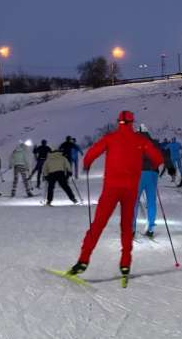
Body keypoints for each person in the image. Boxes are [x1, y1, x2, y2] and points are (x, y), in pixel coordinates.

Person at [66, 111, 163, 283]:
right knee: (126, 226)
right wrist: (155, 165)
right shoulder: (141, 140)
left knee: (98, 224)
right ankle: (125, 264)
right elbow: (157, 158)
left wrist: (87, 164)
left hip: (111, 188)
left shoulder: (110, 138)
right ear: (132, 122)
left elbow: (92, 153)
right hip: (130, 190)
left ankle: (83, 260)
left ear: (119, 122)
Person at [134, 124, 163, 238]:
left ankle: (131, 229)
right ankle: (150, 228)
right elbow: (160, 158)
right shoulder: (154, 143)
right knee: (151, 201)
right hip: (152, 173)